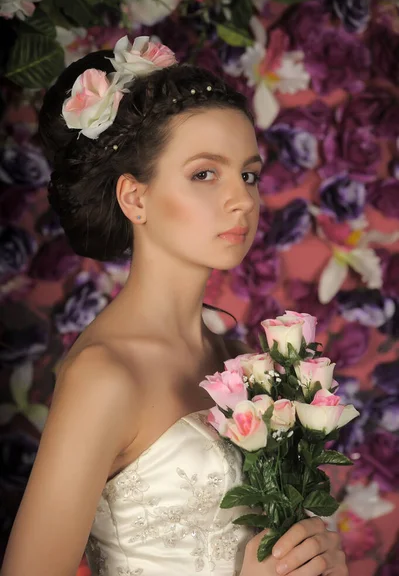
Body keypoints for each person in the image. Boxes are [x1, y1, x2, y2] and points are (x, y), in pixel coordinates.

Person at [1, 36, 347, 576]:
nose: (242, 199)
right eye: (205, 173)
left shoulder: (237, 359)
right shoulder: (105, 375)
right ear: (135, 198)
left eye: (248, 174)